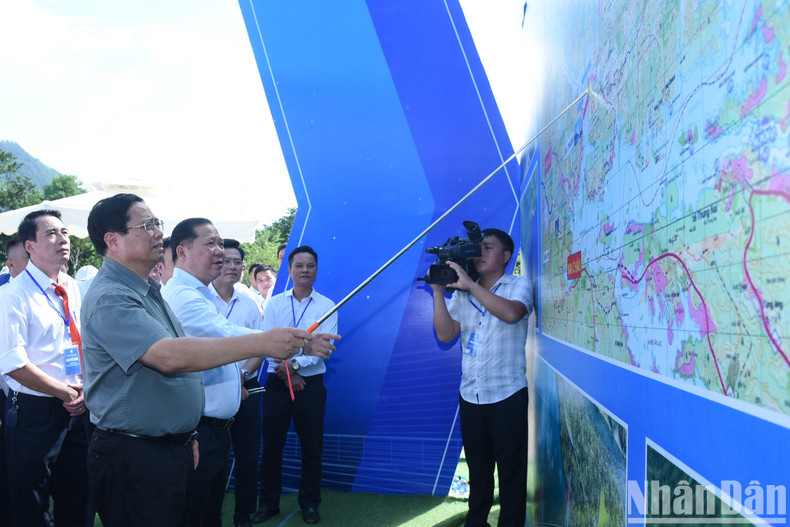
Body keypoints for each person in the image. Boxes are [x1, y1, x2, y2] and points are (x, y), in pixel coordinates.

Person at [80, 193, 337, 527]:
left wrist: (184, 436)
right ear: (113, 240)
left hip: (167, 447)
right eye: (147, 225)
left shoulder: (148, 290)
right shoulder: (112, 296)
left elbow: (190, 353)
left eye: (158, 223)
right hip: (136, 455)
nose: (159, 232)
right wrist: (264, 341)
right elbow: (168, 356)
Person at [429, 228, 532, 527]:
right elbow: (446, 334)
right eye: (479, 248)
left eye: (488, 247)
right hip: (471, 395)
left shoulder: (518, 285)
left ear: (506, 256)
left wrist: (470, 286)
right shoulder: (462, 293)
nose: (480, 253)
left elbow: (512, 314)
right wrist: (438, 291)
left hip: (508, 394)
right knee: (478, 470)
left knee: (511, 473)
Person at [0, 209, 91, 527]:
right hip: (35, 411)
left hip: (77, 406)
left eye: (64, 232)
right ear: (30, 246)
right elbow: (12, 363)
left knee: (77, 496)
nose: (62, 239)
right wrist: (62, 391)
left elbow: (75, 341)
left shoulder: (69, 285)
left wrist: (78, 388)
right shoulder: (13, 295)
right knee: (30, 502)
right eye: (51, 233)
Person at [255, 246, 337, 525]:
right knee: (272, 447)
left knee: (312, 447)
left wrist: (295, 366)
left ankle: (310, 504)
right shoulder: (276, 304)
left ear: (316, 270)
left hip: (310, 385)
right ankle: (268, 503)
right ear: (288, 270)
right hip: (277, 383)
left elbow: (324, 349)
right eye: (299, 265)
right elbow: (268, 345)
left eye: (310, 265)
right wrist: (291, 369)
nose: (304, 270)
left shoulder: (327, 306)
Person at [209, 239, 264, 527]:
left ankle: (243, 517)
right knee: (212, 464)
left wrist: (240, 378)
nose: (231, 266)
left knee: (247, 459)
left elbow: (259, 347)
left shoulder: (250, 304)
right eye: (226, 261)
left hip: (247, 391)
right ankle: (211, 518)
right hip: (211, 396)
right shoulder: (201, 299)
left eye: (237, 263)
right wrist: (230, 384)